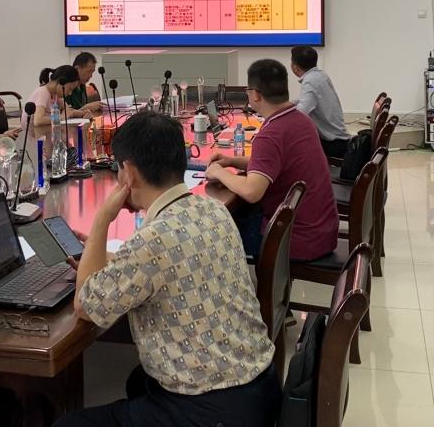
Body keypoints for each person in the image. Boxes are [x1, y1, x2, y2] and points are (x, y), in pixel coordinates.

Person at [55, 111, 279, 427]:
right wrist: (103, 257)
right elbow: (166, 261)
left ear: (129, 172)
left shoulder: (151, 241)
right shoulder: (212, 208)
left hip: (213, 411)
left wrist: (102, 219)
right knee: (138, 381)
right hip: (259, 387)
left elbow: (86, 305)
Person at [206, 59, 338, 261]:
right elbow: (276, 162)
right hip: (322, 232)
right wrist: (231, 161)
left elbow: (252, 191)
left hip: (292, 240)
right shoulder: (301, 120)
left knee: (212, 234)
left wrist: (219, 172)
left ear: (255, 94)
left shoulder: (271, 134)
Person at [289, 45, 351, 159]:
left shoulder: (310, 81)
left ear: (295, 67)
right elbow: (306, 100)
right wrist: (286, 105)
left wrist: (279, 117)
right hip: (339, 139)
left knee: (289, 145)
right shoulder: (320, 75)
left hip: (333, 144)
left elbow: (300, 113)